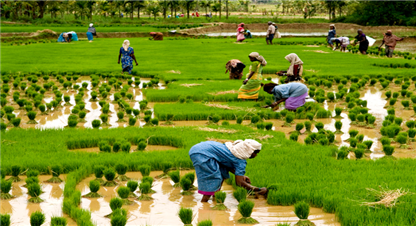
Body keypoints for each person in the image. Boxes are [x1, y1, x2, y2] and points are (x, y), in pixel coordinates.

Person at [189, 140, 268, 202]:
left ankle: (216, 197)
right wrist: (258, 189)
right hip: (201, 154)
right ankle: (204, 204)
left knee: (222, 173)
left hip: (199, 148)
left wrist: (241, 176)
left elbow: (226, 163)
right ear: (249, 151)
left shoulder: (235, 150)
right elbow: (239, 182)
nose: (256, 155)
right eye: (255, 153)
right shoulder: (241, 160)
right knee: (215, 178)